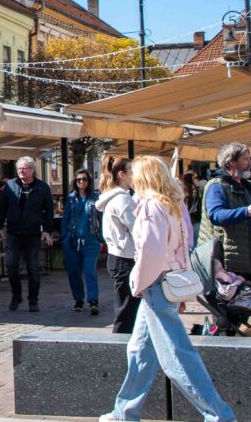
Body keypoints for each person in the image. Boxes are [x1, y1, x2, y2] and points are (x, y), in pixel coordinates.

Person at [101, 156, 235, 422]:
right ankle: (124, 412)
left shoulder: (151, 207)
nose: (133, 179)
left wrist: (138, 283)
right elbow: (184, 248)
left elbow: (150, 253)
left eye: (136, 174)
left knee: (176, 357)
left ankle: (219, 416)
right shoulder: (172, 204)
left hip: (156, 284)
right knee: (140, 350)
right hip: (168, 282)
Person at [197, 142, 251, 282]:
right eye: (245, 159)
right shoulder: (217, 185)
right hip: (224, 263)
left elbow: (246, 217)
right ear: (231, 162)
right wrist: (247, 211)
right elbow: (216, 215)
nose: (250, 163)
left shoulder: (245, 186)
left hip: (244, 260)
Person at [0, 156, 55, 311]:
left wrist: (47, 231)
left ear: (32, 170)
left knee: (32, 268)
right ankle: (16, 296)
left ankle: (33, 300)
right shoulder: (10, 186)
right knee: (11, 266)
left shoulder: (42, 187)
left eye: (24, 168)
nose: (21, 171)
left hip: (33, 234)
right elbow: (1, 208)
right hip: (14, 233)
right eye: (19, 168)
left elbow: (49, 211)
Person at [96, 155, 140, 333]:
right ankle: (119, 344)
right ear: (122, 175)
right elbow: (138, 229)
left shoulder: (118, 197)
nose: (135, 175)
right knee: (126, 312)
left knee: (128, 309)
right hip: (125, 257)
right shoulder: (122, 199)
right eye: (132, 172)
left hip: (119, 256)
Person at [62, 168, 102, 314]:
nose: (81, 182)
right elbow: (65, 218)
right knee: (74, 273)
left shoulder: (95, 197)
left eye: (84, 179)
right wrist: (64, 237)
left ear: (89, 181)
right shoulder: (71, 198)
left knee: (90, 271)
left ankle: (93, 301)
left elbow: (101, 218)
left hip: (91, 240)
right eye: (78, 179)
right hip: (72, 241)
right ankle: (78, 300)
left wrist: (101, 238)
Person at [182, 171, 202, 239]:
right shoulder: (195, 190)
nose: (198, 179)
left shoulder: (183, 190)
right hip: (194, 220)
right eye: (196, 178)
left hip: (188, 221)